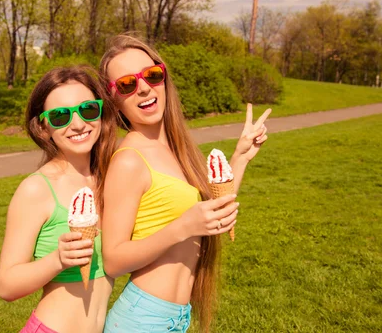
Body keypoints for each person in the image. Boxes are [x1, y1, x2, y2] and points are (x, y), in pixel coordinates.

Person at [98, 35, 271, 333]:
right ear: (113, 99)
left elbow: (210, 217)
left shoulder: (177, 151)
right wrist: (183, 227)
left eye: (151, 75)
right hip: (142, 320)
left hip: (176, 318)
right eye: (127, 84)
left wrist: (240, 158)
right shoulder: (128, 160)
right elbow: (113, 260)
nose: (143, 88)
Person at [0, 66, 118, 333]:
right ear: (43, 127)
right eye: (61, 116)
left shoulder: (111, 178)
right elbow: (6, 285)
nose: (77, 124)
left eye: (87, 109)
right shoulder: (36, 189)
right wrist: (57, 260)